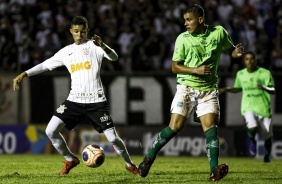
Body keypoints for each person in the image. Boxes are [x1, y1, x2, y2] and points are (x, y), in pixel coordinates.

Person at [13, 16, 139, 175]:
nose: (80, 35)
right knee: (50, 131)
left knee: (113, 139)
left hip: (96, 101)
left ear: (88, 31)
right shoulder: (66, 52)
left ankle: (129, 164)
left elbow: (114, 57)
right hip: (74, 100)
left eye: (83, 32)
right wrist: (24, 74)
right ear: (71, 31)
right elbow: (45, 65)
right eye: (76, 32)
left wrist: (104, 46)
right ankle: (70, 159)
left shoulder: (95, 46)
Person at [138, 4, 244, 181]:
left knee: (211, 127)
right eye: (184, 20)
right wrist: (196, 70)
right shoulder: (182, 39)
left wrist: (236, 53)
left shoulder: (219, 32)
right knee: (175, 127)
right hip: (186, 88)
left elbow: (230, 50)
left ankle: (214, 170)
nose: (186, 23)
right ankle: (148, 158)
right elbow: (174, 66)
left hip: (208, 90)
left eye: (189, 20)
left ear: (200, 19)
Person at [219, 51, 275, 163]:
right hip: (248, 106)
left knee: (267, 134)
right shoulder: (241, 74)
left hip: (263, 107)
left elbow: (272, 90)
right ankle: (252, 142)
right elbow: (238, 88)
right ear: (244, 61)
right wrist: (226, 89)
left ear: (256, 60)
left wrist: (264, 87)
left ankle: (267, 156)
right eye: (247, 59)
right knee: (252, 125)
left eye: (251, 59)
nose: (249, 61)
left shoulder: (265, 73)